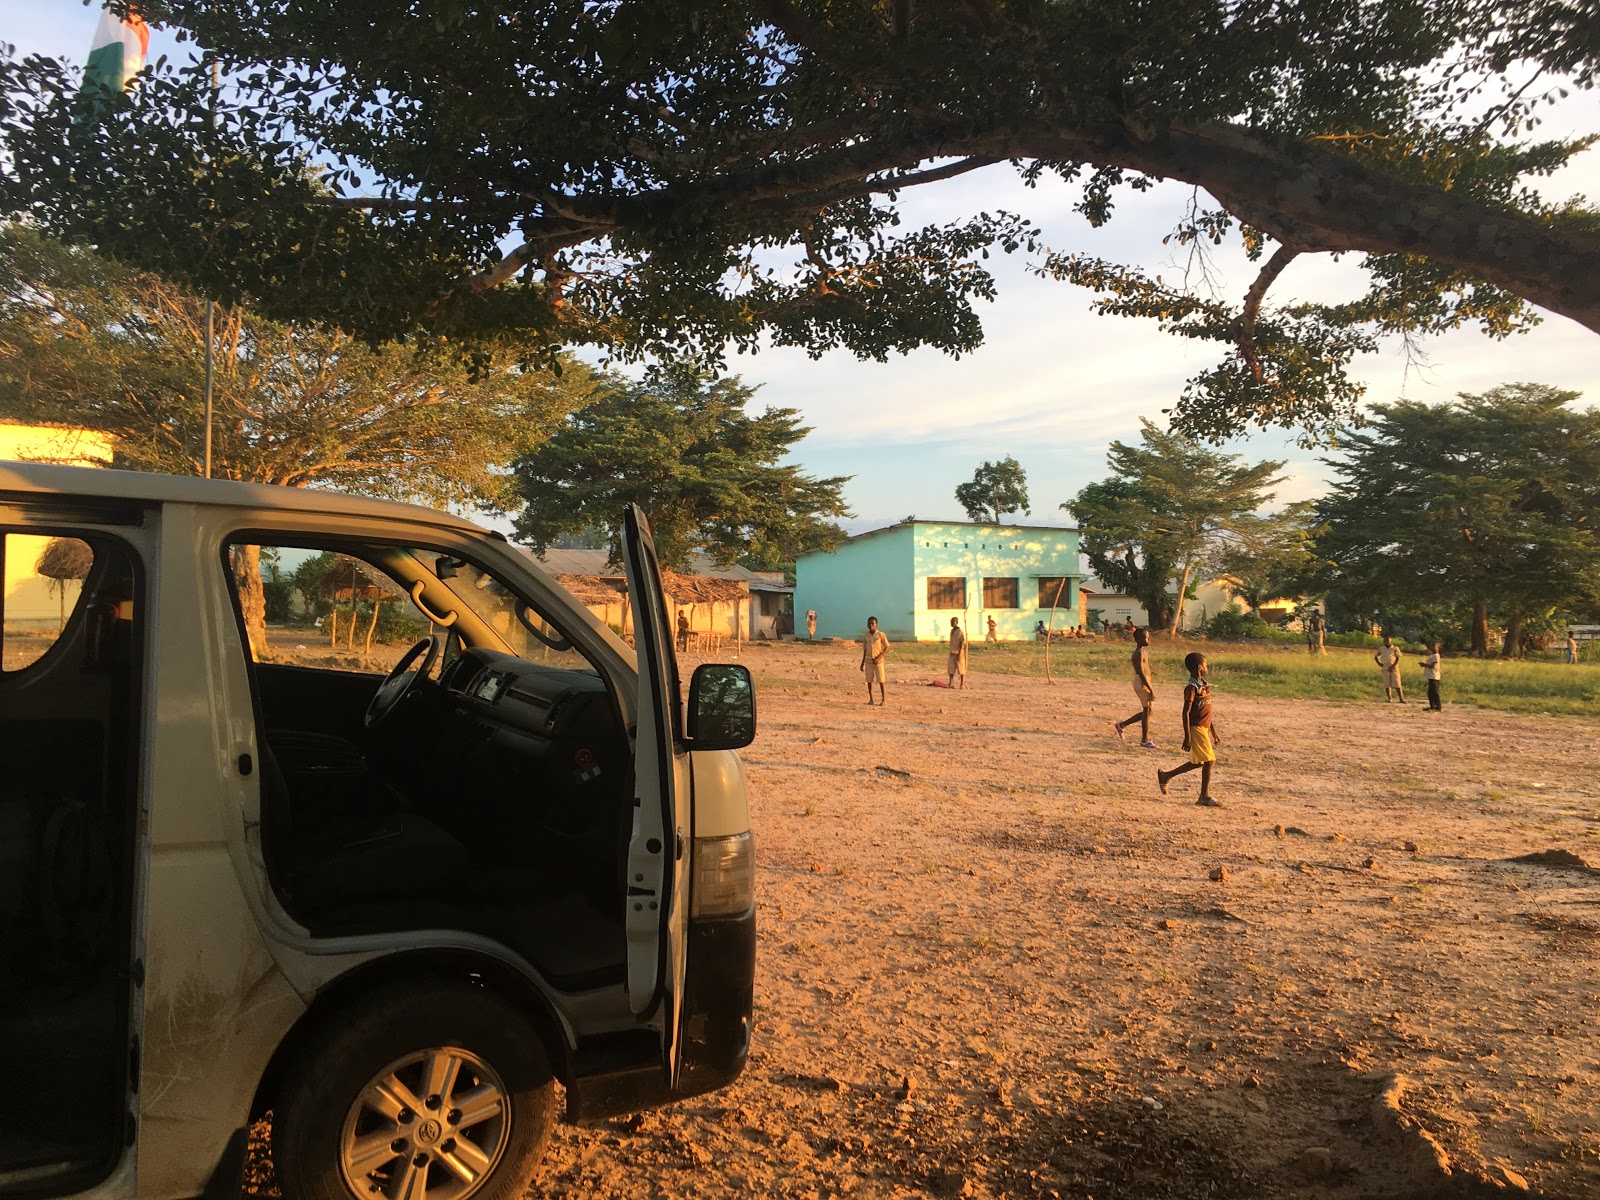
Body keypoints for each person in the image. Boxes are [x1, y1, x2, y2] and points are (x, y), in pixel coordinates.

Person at [1158, 652, 1221, 806]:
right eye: (1205, 665)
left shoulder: (1204, 686)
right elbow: (1185, 712)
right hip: (1196, 728)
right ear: (1200, 667)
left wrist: (1213, 731)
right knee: (1209, 760)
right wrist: (1187, 736)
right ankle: (1203, 796)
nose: (1207, 668)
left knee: (1199, 761)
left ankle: (1166, 776)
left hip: (1204, 728)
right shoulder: (1191, 688)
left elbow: (1207, 711)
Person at [1112, 627, 1158, 748]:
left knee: (1148, 711)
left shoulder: (1143, 652)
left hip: (1145, 681)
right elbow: (1141, 673)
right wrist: (1150, 689)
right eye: (1146, 638)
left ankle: (1121, 725)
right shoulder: (1138, 653)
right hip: (1141, 681)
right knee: (1147, 711)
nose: (1149, 640)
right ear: (1138, 639)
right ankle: (1144, 740)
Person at [861, 615, 889, 705]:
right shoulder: (866, 636)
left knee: (881, 680)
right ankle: (871, 699)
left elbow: (887, 646)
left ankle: (883, 699)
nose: (871, 625)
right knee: (869, 680)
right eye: (869, 624)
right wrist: (862, 663)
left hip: (878, 661)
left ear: (876, 624)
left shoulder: (880, 635)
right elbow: (865, 650)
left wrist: (880, 657)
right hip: (868, 661)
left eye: (872, 624)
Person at [1375, 635, 1405, 703]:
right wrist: (1379, 663)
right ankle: (1389, 698)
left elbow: (1397, 658)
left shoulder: (1395, 648)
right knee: (1387, 683)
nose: (1387, 642)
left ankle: (1401, 698)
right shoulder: (1381, 648)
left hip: (1394, 667)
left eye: (1388, 640)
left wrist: (1393, 666)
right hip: (1385, 667)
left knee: (1397, 683)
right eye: (1385, 641)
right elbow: (1375, 656)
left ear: (1391, 641)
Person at [947, 617, 968, 689]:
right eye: (951, 622)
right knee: (951, 669)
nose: (952, 623)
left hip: (958, 652)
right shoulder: (952, 631)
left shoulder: (960, 631)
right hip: (952, 652)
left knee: (961, 668)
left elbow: (962, 642)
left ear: (957, 622)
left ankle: (962, 684)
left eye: (953, 622)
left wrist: (960, 652)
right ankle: (951, 683)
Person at [1423, 641, 1443, 711]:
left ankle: (1438, 706)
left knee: (1435, 692)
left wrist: (1424, 665)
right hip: (1430, 676)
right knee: (1430, 692)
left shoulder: (1436, 656)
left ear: (1438, 648)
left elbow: (1432, 666)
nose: (1432, 648)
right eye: (1432, 646)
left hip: (1434, 676)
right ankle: (1432, 706)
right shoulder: (1432, 655)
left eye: (1434, 646)